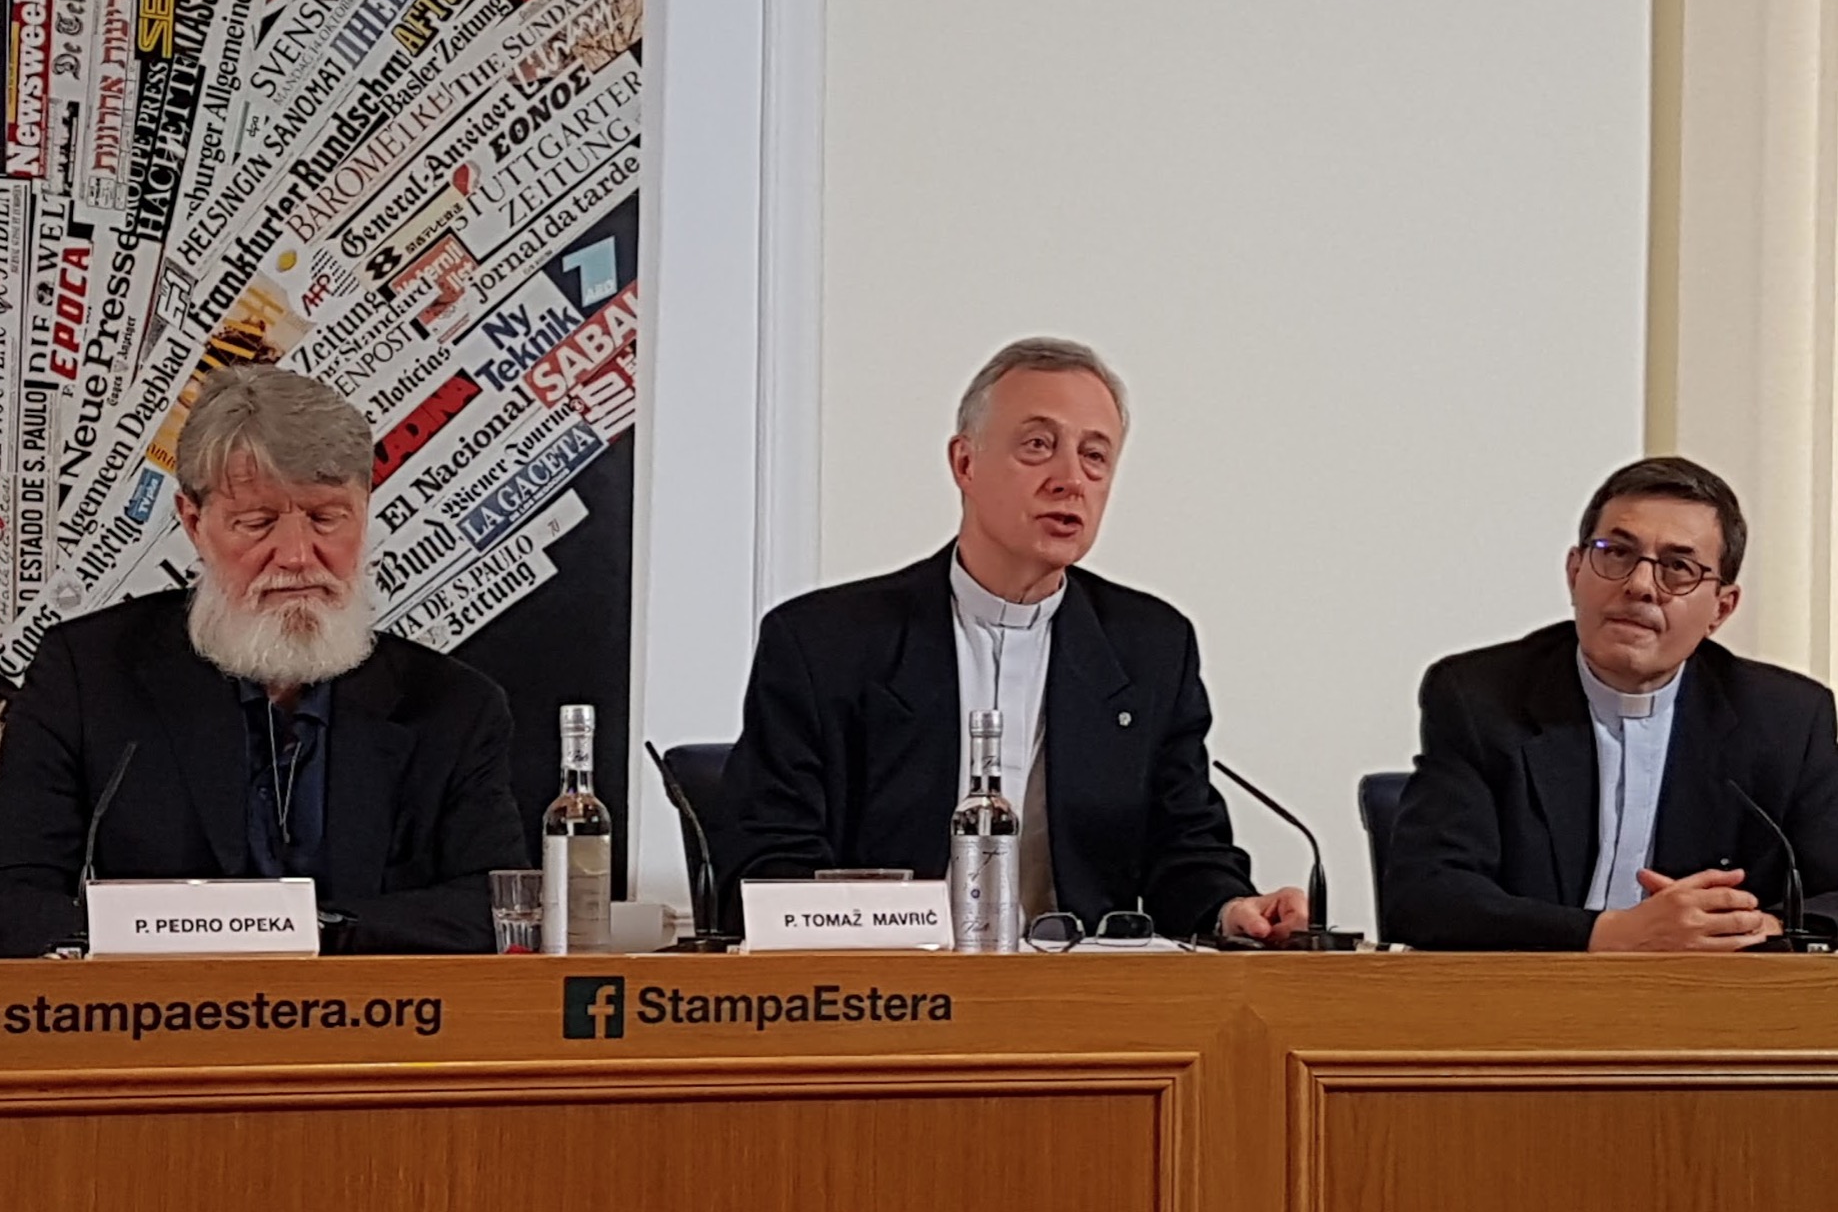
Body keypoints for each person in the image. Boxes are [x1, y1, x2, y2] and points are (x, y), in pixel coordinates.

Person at [713, 337, 1307, 941]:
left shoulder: (1150, 648)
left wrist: (1230, 908)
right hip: (889, 983)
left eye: (1095, 456)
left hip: (1080, 988)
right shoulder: (824, 645)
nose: (1070, 480)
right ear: (965, 464)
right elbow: (768, 866)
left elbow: (1184, 849)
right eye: (1038, 446)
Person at [0, 366, 527, 956]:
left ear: (364, 511)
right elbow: (13, 896)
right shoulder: (85, 676)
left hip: (375, 1012)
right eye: (257, 523)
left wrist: (301, 928)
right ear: (194, 523)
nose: (296, 556)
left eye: (326, 518)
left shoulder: (455, 708)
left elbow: (497, 908)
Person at [1384, 457, 1838, 951]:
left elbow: (1829, 895)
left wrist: (1765, 926)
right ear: (1575, 572)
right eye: (1617, 553)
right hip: (1531, 992)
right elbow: (1426, 895)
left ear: (1720, 609)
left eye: (1678, 568)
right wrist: (1611, 934)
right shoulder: (1480, 697)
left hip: (1709, 996)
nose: (1640, 586)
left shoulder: (1787, 720)